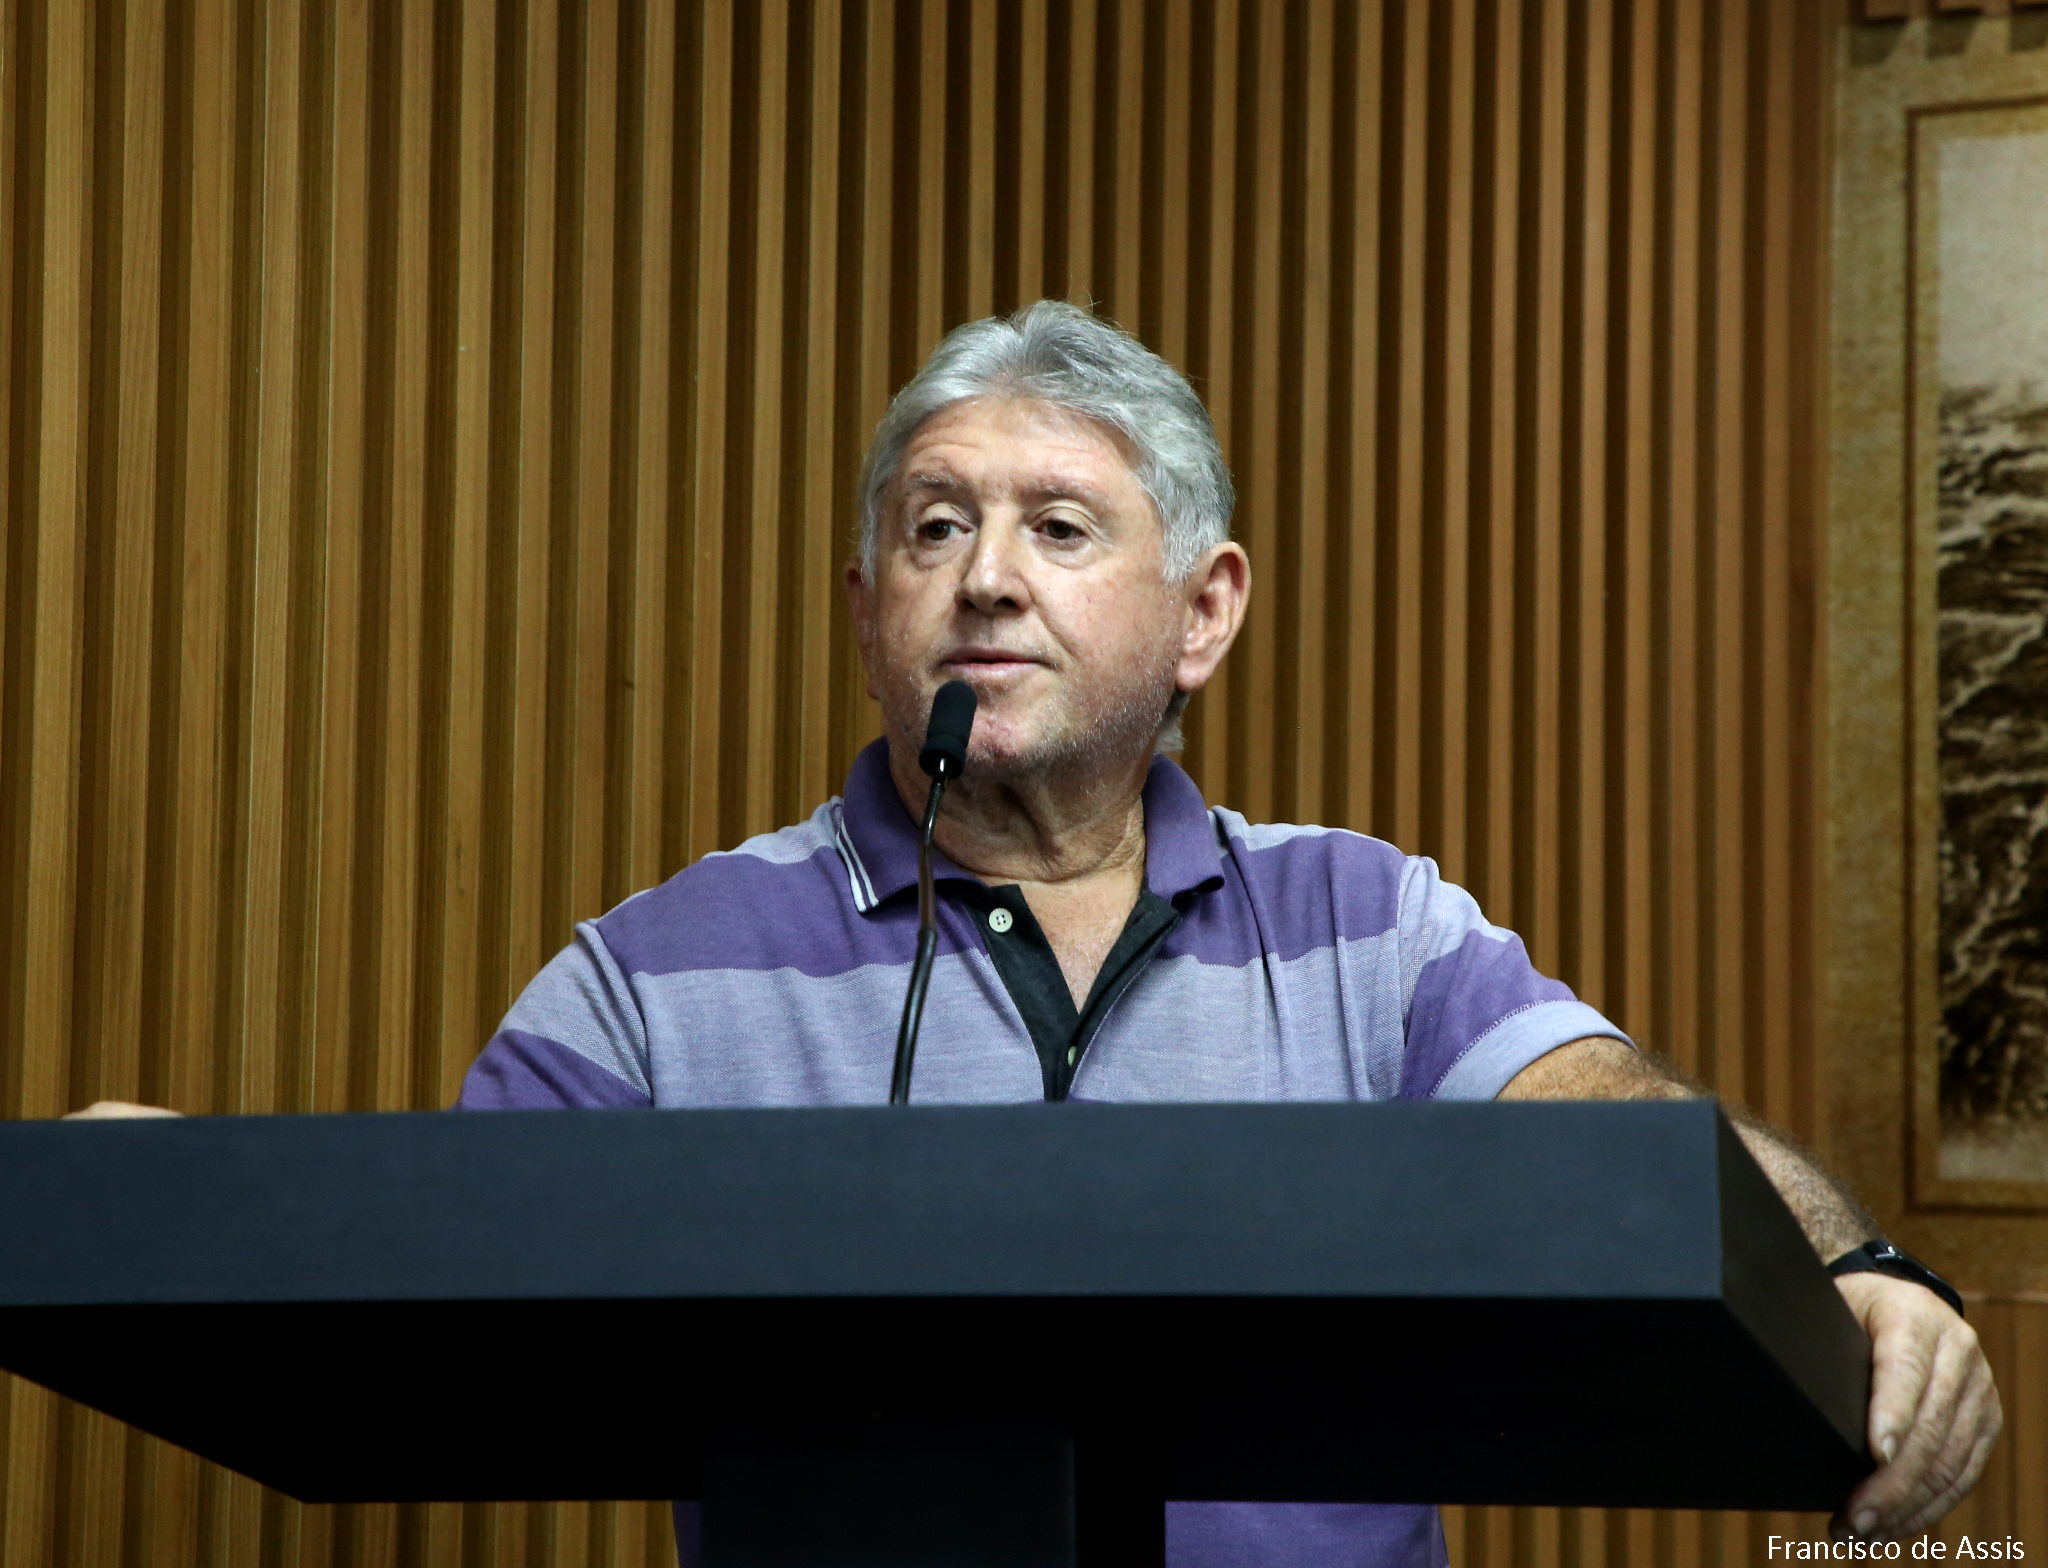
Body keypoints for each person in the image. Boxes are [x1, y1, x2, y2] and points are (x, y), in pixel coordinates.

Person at [80, 301, 2002, 1566]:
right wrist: (190, 1208)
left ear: (1203, 613)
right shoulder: (653, 975)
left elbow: (1615, 1124)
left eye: (1060, 529)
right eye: (934, 529)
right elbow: (431, 1270)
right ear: (867, 609)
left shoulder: (1367, 921)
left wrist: (1860, 1267)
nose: (986, 577)